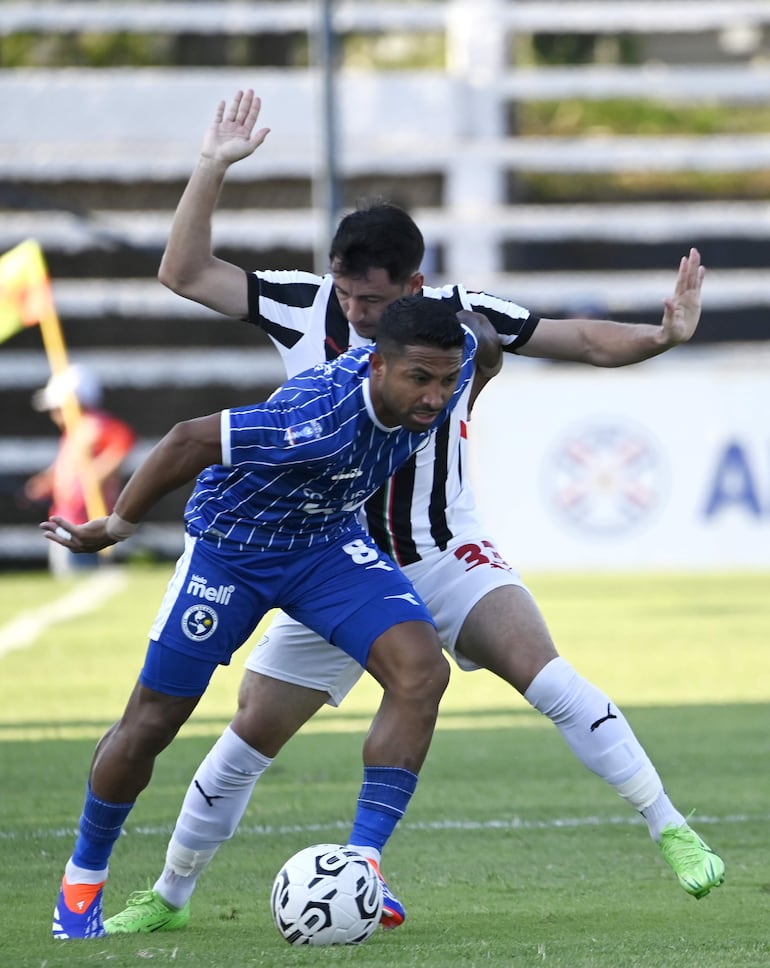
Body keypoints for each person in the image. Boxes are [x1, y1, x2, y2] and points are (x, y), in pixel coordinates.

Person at [103, 90, 724, 937]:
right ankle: (169, 895)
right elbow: (183, 274)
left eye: (372, 301)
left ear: (416, 287)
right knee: (252, 732)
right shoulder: (302, 303)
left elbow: (577, 339)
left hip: (439, 549)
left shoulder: (459, 324)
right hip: (326, 553)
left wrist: (661, 337)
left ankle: (674, 831)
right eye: (347, 298)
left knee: (550, 678)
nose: (355, 316)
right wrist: (210, 166)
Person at [44, 296, 502, 940]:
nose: (434, 397)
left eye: (446, 380)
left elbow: (484, 342)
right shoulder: (317, 418)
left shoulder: (453, 366)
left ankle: (363, 862)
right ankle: (82, 882)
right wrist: (118, 524)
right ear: (376, 365)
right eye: (418, 379)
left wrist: (473, 372)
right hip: (234, 552)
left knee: (422, 671)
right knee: (152, 721)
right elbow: (188, 440)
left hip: (324, 546)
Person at [23, 364, 136, 577]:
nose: (54, 416)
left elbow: (121, 448)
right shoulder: (74, 432)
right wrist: (46, 482)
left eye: (58, 409)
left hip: (88, 523)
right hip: (66, 518)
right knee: (67, 572)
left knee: (82, 573)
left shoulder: (98, 427)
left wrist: (94, 475)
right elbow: (65, 467)